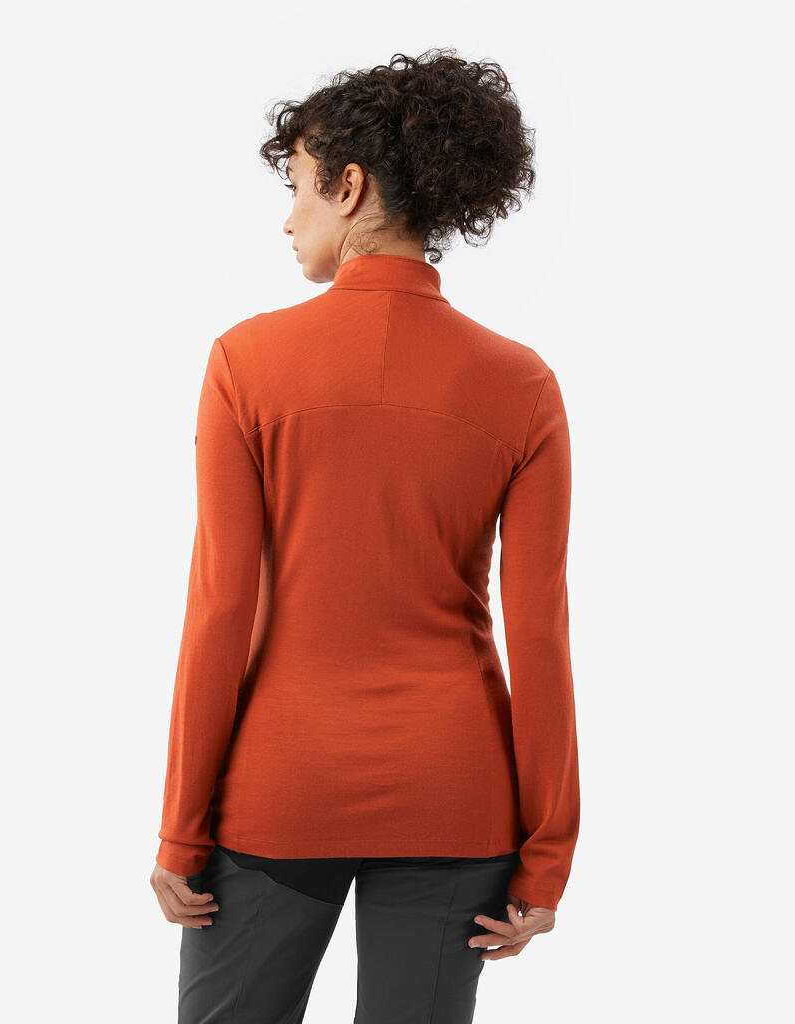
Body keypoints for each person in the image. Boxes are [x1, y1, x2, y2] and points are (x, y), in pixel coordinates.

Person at [148, 48, 580, 1024]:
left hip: (279, 789)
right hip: (455, 793)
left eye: (297, 186)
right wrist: (547, 853)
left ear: (349, 187)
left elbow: (221, 608)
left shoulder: (246, 364)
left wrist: (180, 832)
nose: (287, 216)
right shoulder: (522, 386)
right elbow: (539, 631)